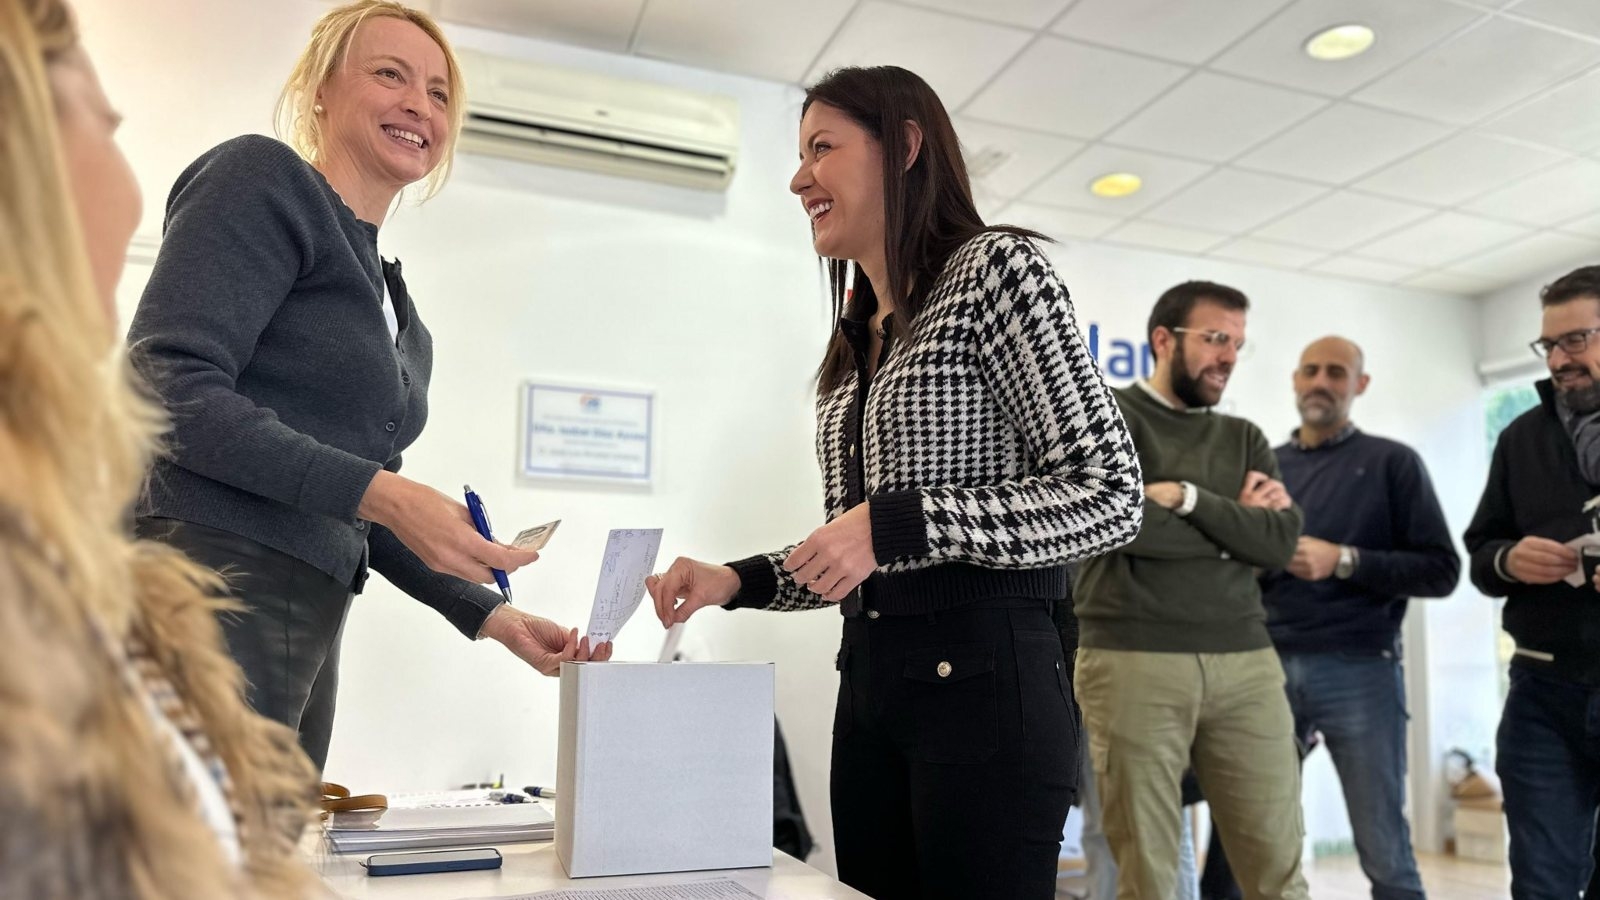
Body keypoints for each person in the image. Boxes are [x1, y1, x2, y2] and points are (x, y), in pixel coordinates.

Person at [645, 65, 1143, 900]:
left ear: (905, 147)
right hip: (874, 680)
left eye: (822, 148)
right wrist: (737, 580)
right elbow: (857, 545)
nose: (800, 177)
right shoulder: (855, 339)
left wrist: (897, 524)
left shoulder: (997, 273)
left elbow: (1109, 491)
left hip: (988, 683)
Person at [126, 0, 607, 772]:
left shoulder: (396, 307)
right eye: (390, 75)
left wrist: (489, 617)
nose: (419, 103)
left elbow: (353, 502)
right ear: (320, 88)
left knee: (262, 866)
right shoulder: (264, 180)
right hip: (207, 586)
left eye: (440, 92)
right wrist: (384, 493)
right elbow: (163, 388)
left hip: (308, 613)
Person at [0, 0, 320, 894]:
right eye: (107, 123)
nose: (131, 177)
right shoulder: (260, 180)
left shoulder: (69, 561)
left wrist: (478, 607)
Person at [1073, 281, 1310, 900]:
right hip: (1131, 659)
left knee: (1278, 870)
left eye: (1236, 343)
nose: (1228, 355)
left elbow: (1279, 543)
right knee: (1146, 875)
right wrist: (1234, 526)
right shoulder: (1107, 419)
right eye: (1214, 338)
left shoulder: (1247, 439)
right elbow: (1115, 524)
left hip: (1247, 663)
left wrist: (1188, 499)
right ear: (1163, 340)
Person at [1253, 336, 1459, 900]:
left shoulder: (1394, 463)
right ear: (1295, 379)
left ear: (1359, 384)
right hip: (1264, 668)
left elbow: (1441, 571)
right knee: (1254, 840)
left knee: (1384, 847)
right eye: (1311, 370)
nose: (1322, 382)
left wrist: (1345, 561)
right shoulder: (1265, 469)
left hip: (1360, 669)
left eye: (1337, 372)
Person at [1465, 264, 1600, 899]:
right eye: (1549, 344)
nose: (1559, 359)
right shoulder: (1521, 438)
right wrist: (1508, 560)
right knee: (1541, 883)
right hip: (1543, 692)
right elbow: (1480, 553)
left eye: (1577, 339)